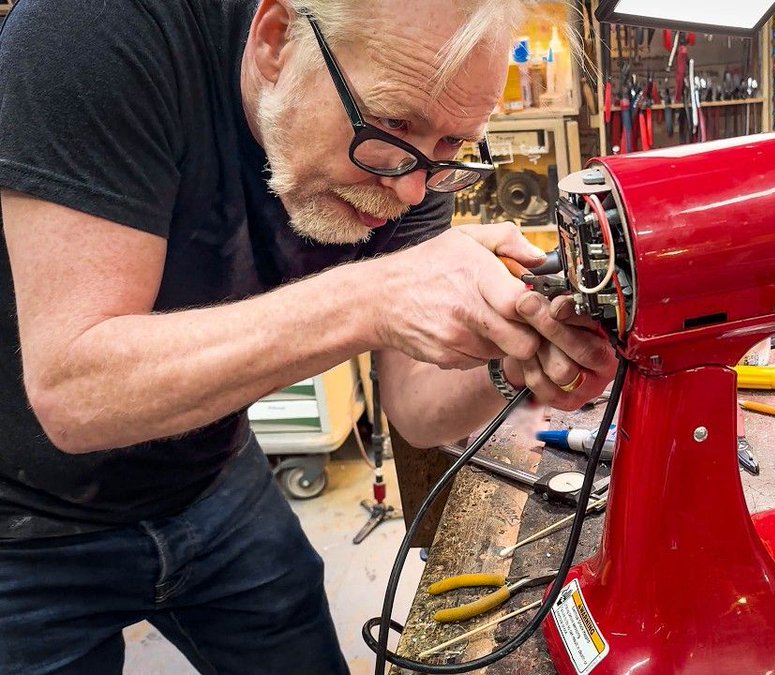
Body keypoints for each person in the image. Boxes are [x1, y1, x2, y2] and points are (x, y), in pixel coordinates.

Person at [0, 0, 616, 672]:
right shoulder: (102, 30)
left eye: (450, 147)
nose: (412, 191)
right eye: (394, 122)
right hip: (22, 522)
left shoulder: (417, 152)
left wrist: (511, 357)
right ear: (273, 39)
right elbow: (74, 392)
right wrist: (377, 294)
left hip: (210, 476)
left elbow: (413, 407)